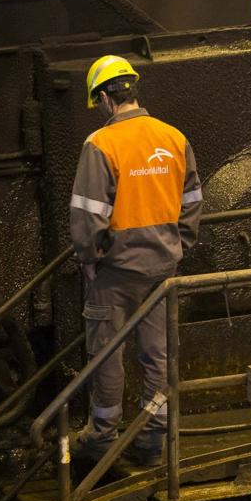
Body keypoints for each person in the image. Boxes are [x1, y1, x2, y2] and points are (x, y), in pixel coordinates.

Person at [69, 54, 203, 466]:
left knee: (107, 353)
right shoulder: (174, 138)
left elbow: (87, 217)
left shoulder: (100, 144)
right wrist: (175, 246)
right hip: (163, 270)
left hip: (115, 273)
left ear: (106, 99)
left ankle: (102, 436)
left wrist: (91, 257)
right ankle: (152, 434)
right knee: (158, 354)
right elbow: (192, 202)